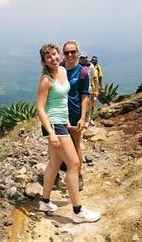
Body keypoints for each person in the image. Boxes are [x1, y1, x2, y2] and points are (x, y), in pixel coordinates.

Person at [36, 43, 101, 223]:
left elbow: (62, 99)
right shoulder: (46, 79)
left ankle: (45, 202)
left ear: (59, 55)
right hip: (54, 125)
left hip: (62, 122)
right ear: (44, 61)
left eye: (55, 55)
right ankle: (77, 211)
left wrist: (67, 119)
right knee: (73, 164)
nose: (53, 58)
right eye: (48, 57)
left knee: (54, 164)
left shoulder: (63, 72)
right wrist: (51, 133)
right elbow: (40, 108)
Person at [62, 41, 89, 190]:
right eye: (67, 52)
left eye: (73, 52)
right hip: (59, 114)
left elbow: (85, 96)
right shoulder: (57, 69)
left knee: (76, 144)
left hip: (74, 113)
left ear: (78, 52)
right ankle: (56, 175)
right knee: (57, 145)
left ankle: (78, 175)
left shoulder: (83, 72)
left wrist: (82, 118)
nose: (70, 55)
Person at [79, 53, 98, 126]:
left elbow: (95, 78)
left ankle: (89, 119)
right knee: (83, 104)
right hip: (80, 88)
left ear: (86, 58)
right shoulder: (78, 66)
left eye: (83, 58)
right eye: (81, 58)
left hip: (89, 88)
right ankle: (85, 119)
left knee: (90, 104)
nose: (82, 59)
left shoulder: (90, 66)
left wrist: (96, 90)